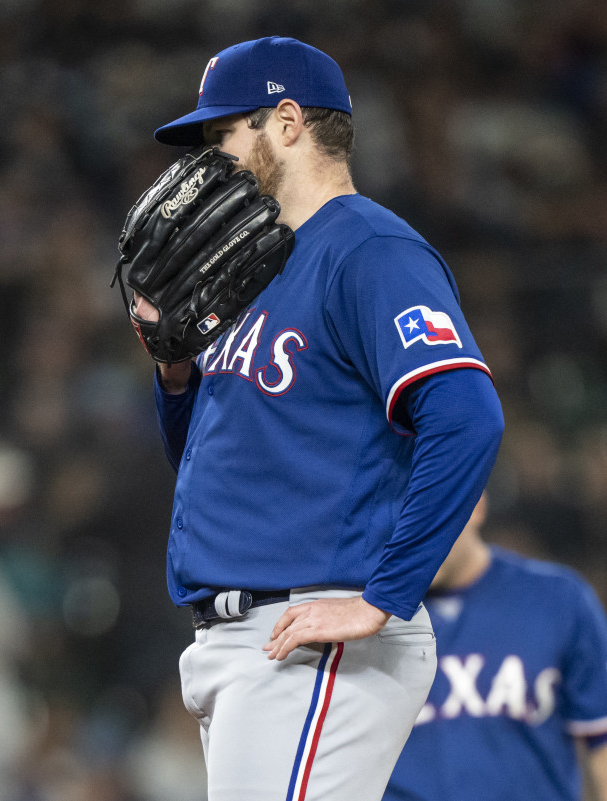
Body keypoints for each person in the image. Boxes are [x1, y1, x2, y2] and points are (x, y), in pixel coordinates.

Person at [130, 36, 505, 800]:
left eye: (224, 133)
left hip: (309, 631)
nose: (209, 161)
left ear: (289, 121)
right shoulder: (251, 264)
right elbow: (215, 460)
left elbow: (468, 416)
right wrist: (173, 376)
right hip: (239, 636)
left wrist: (383, 594)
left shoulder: (370, 249)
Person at [384, 494, 607, 801]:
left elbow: (601, 742)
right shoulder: (356, 621)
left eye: (424, 520)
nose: (411, 541)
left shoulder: (558, 600)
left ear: (475, 505)